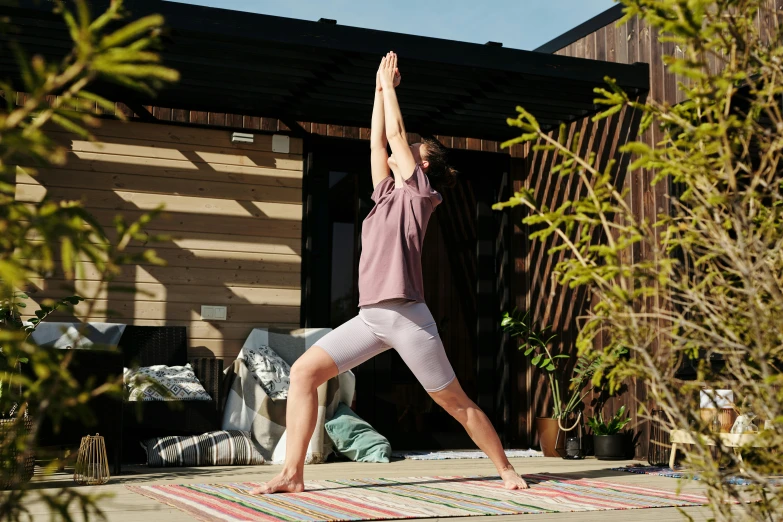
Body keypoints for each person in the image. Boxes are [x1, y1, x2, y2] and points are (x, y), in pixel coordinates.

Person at [251, 52, 529, 495]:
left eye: (412, 151)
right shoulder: (385, 194)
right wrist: (378, 90)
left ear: (421, 166)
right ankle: (292, 474)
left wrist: (391, 86)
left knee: (453, 402)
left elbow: (396, 134)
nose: (404, 149)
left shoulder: (421, 195)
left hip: (407, 319)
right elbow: (377, 142)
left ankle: (506, 469)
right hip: (370, 319)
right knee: (304, 373)